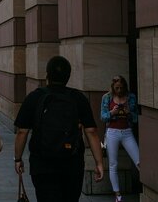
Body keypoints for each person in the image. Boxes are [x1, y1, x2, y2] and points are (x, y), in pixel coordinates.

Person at [14, 55, 104, 202]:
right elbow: (91, 132)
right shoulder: (78, 98)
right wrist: (99, 163)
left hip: (42, 164)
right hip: (72, 164)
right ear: (68, 76)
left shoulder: (34, 97)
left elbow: (22, 132)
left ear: (47, 75)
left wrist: (18, 159)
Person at [101, 75, 139, 202]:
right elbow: (103, 117)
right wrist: (112, 113)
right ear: (112, 87)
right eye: (117, 88)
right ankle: (117, 195)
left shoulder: (131, 97)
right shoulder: (107, 98)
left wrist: (129, 112)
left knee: (139, 161)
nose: (119, 90)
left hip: (127, 132)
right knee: (113, 164)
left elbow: (135, 118)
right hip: (112, 132)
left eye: (121, 88)